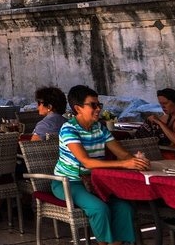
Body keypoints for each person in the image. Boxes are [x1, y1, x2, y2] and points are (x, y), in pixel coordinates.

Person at [53, 84, 148, 245]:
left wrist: (137, 161)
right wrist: (125, 164)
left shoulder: (99, 128)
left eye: (99, 104)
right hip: (69, 183)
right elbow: (86, 162)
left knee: (124, 208)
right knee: (99, 208)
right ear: (78, 108)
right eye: (93, 105)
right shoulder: (69, 129)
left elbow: (122, 153)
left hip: (96, 181)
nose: (98, 109)